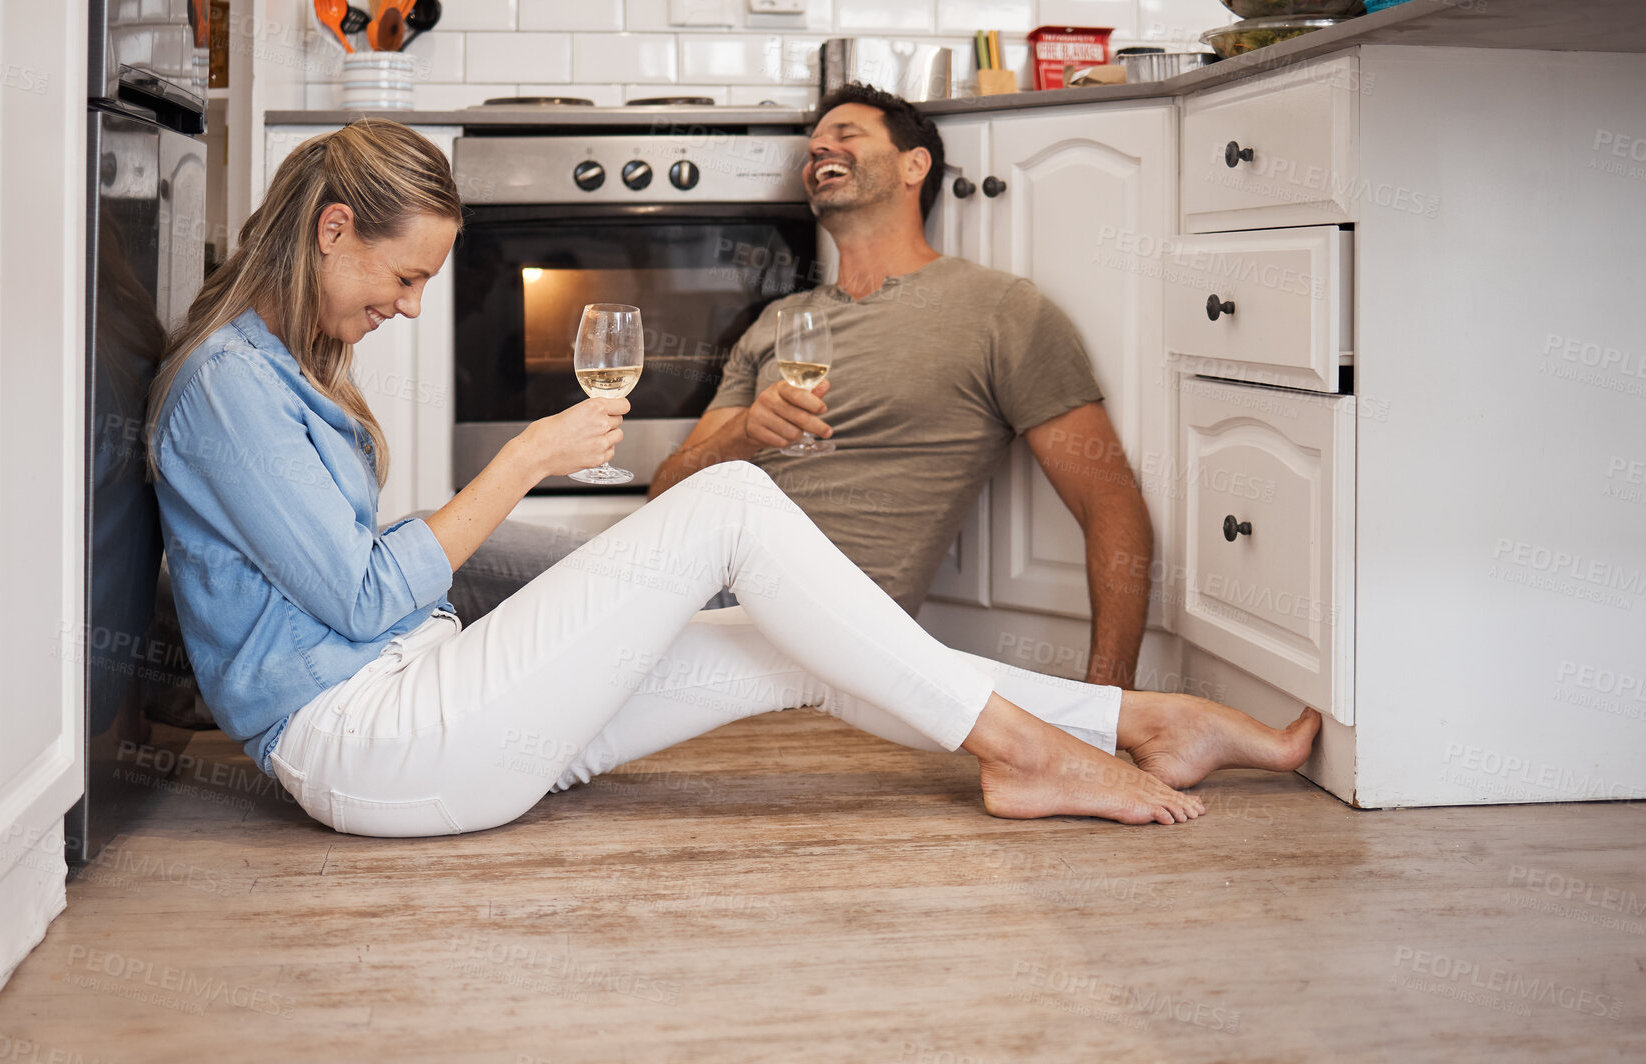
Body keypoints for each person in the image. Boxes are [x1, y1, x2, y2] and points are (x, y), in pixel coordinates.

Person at [144, 118, 1319, 839]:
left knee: (789, 646)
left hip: (431, 699)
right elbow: (357, 600)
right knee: (737, 502)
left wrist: (547, 549)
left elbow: (370, 589)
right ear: (334, 229)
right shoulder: (227, 386)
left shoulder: (282, 372)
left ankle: (1135, 721)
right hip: (373, 744)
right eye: (401, 280)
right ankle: (1023, 753)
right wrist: (524, 460)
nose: (406, 310)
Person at [451, 84, 1154, 690]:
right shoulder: (777, 323)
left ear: (916, 165)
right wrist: (744, 434)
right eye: (812, 146)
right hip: (689, 573)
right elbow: (666, 492)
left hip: (809, 614)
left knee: (446, 556)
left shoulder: (1001, 309)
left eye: (845, 135)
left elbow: (1111, 502)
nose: (820, 151)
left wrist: (1109, 699)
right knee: (433, 539)